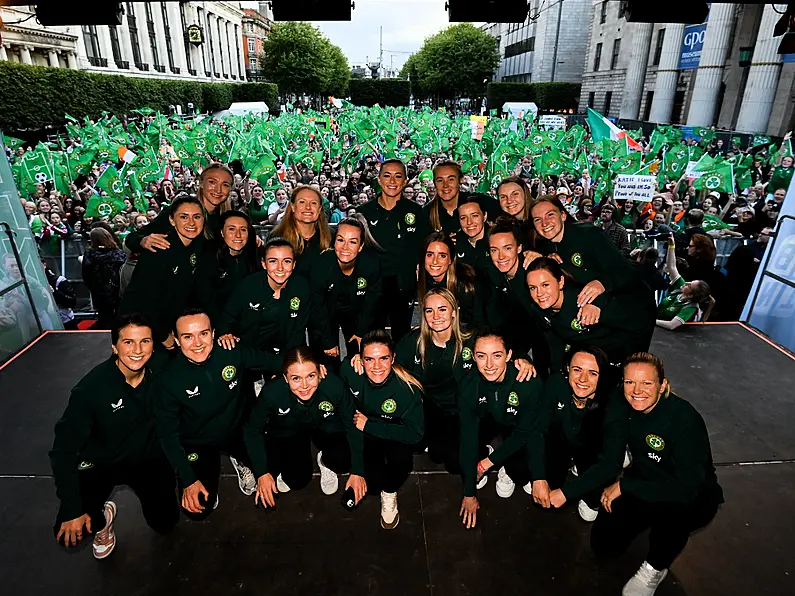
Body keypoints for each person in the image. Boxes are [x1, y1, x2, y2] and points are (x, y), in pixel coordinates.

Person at [589, 353, 723, 596]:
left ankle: (655, 566)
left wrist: (625, 486)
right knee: (603, 545)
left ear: (663, 386)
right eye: (630, 382)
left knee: (673, 516)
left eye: (647, 383)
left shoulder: (684, 420)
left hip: (690, 494)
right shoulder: (623, 400)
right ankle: (646, 523)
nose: (636, 390)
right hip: (646, 479)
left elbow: (686, 488)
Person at [49, 314, 178, 559]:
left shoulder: (161, 368)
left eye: (145, 341)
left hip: (147, 460)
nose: (138, 350)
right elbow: (63, 451)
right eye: (128, 342)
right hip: (101, 464)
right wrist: (71, 508)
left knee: (166, 523)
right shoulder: (90, 391)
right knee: (71, 531)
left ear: (154, 345)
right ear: (114, 347)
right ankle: (102, 520)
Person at [153, 308, 280, 520]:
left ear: (213, 333)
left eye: (203, 333)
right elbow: (167, 435)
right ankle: (207, 477)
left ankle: (239, 459)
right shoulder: (168, 380)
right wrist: (188, 480)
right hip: (197, 442)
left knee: (273, 470)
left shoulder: (231, 352)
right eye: (187, 337)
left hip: (237, 430)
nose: (197, 343)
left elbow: (276, 361)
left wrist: (314, 368)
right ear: (176, 340)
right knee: (199, 508)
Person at [395, 288, 535, 477]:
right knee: (431, 451)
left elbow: (502, 349)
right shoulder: (414, 341)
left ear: (454, 312)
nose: (436, 316)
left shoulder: (471, 336)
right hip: (435, 408)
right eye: (429, 310)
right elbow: (390, 364)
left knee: (455, 462)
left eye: (442, 309)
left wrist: (523, 360)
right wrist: (360, 360)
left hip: (471, 409)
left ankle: (486, 454)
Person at [244, 347, 367, 507]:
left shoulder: (333, 386)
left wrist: (358, 471)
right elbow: (252, 429)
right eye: (296, 378)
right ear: (286, 378)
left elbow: (352, 425)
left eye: (310, 376)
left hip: (324, 426)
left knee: (344, 460)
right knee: (297, 481)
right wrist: (261, 472)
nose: (304, 386)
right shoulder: (272, 392)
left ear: (320, 372)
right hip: (291, 431)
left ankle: (324, 461)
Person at [457, 329, 546, 528]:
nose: (489, 365)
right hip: (488, 425)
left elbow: (526, 432)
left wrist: (484, 465)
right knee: (460, 463)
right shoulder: (468, 386)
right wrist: (469, 493)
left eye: (497, 356)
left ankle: (498, 457)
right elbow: (468, 438)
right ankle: (494, 448)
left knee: (522, 474)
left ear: (509, 355)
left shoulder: (528, 382)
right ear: (473, 357)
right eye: (481, 356)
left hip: (516, 428)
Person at [339, 330, 424, 529]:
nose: (377, 366)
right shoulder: (350, 371)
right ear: (360, 359)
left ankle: (390, 492)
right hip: (365, 433)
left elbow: (416, 433)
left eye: (383, 358)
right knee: (373, 485)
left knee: (401, 462)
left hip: (393, 432)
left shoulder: (407, 389)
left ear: (393, 358)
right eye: (369, 359)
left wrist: (370, 425)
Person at [525, 257, 654, 375]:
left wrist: (635, 361)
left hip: (622, 352)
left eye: (545, 285)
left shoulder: (586, 303)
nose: (539, 293)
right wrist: (556, 374)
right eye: (532, 288)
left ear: (560, 283)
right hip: (594, 358)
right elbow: (554, 341)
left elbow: (636, 322)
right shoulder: (538, 310)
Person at [533, 346, 614, 522]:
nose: (583, 379)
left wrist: (566, 493)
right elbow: (538, 430)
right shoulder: (555, 384)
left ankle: (584, 481)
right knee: (548, 483)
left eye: (593, 373)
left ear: (602, 376)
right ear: (567, 369)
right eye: (577, 370)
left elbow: (611, 463)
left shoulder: (613, 402)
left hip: (593, 446)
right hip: (561, 438)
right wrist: (539, 477)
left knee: (596, 493)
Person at [118, 194, 206, 347]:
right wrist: (164, 336)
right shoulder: (158, 248)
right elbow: (144, 299)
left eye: (197, 217)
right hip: (140, 331)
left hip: (168, 326)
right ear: (172, 220)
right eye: (184, 217)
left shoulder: (197, 248)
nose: (191, 222)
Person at [356, 159, 427, 342]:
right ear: (379, 180)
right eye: (387, 176)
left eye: (398, 176)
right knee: (373, 337)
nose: (392, 181)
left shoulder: (416, 212)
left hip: (403, 286)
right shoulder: (364, 212)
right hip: (372, 287)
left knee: (402, 337)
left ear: (405, 181)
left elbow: (426, 246)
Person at [309, 216, 382, 367]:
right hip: (328, 311)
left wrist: (362, 331)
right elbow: (317, 307)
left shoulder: (371, 264)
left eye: (353, 242)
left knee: (359, 357)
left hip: (356, 311)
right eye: (340, 240)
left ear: (361, 246)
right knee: (326, 361)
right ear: (333, 242)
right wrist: (328, 341)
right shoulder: (320, 265)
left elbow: (372, 301)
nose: (345, 247)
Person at [125, 163, 233, 254]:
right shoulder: (179, 211)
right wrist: (143, 241)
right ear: (201, 183)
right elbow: (132, 238)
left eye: (225, 185)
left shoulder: (228, 221)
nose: (218, 190)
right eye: (212, 182)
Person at [195, 210, 259, 322]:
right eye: (231, 229)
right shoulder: (208, 257)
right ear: (221, 232)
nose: (238, 235)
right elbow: (205, 300)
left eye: (243, 230)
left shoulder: (255, 257)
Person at [418, 232, 486, 331]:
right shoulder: (426, 282)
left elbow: (478, 325)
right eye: (430, 255)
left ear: (450, 259)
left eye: (442, 256)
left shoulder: (464, 286)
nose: (435, 261)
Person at [271, 185, 332, 279]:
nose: (308, 207)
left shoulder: (332, 236)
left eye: (314, 203)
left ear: (320, 209)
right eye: (302, 202)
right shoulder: (277, 236)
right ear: (292, 207)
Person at [655, 234, 712, 330]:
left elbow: (671, 325)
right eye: (690, 282)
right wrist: (671, 246)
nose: (686, 283)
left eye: (689, 286)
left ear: (690, 295)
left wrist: (651, 320)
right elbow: (672, 266)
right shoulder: (681, 287)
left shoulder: (690, 308)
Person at [81, 227, 127, 329]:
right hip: (118, 292)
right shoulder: (119, 254)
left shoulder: (90, 255)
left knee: (105, 320)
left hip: (100, 293)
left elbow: (86, 276)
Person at [454, 195, 492, 280]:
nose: (469, 222)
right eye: (463, 218)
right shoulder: (455, 244)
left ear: (485, 216)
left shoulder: (497, 241)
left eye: (474, 216)